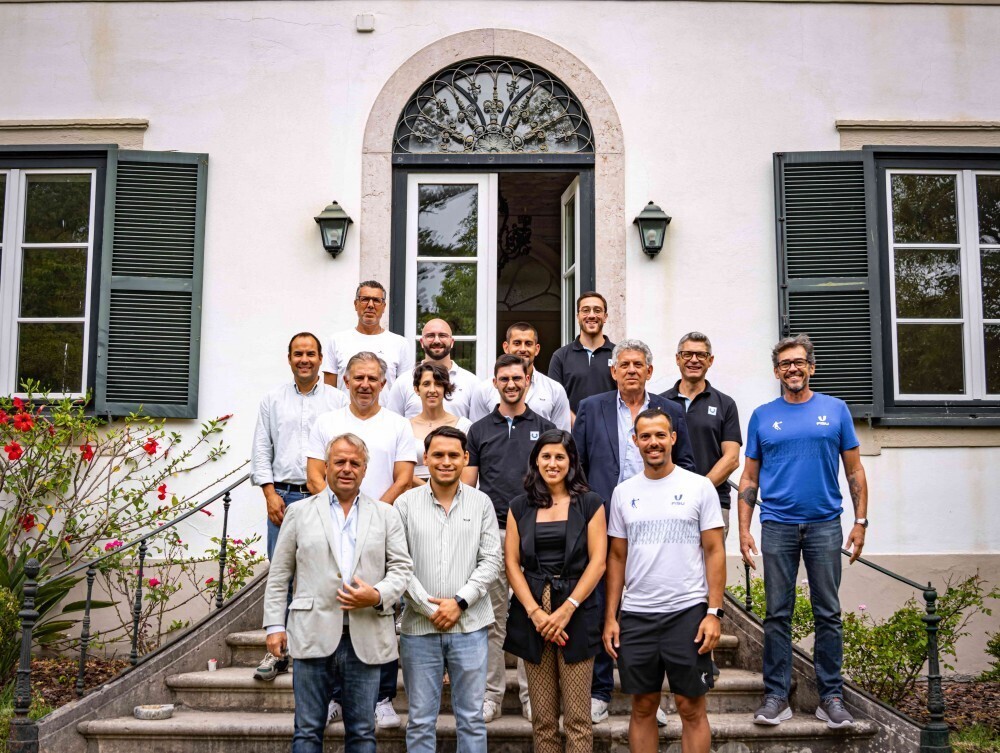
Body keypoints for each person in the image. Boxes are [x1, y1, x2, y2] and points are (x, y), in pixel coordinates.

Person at [738, 334, 868, 729]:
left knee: (828, 612)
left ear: (811, 367)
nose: (792, 369)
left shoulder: (836, 409)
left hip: (825, 525)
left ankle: (831, 697)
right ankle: (777, 695)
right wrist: (743, 529)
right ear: (776, 371)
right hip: (776, 525)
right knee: (777, 613)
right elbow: (749, 476)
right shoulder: (762, 415)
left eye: (799, 362)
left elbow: (855, 470)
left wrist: (860, 522)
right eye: (784, 364)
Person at [262, 433, 413, 753]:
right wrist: (275, 625)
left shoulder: (386, 514)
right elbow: (279, 575)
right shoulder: (299, 512)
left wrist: (376, 595)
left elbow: (401, 569)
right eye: (340, 462)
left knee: (361, 732)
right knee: (306, 730)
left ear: (364, 470)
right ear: (326, 467)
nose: (347, 468)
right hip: (311, 634)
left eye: (354, 463)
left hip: (366, 634)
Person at [572, 338, 697, 724]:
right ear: (613, 371)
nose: (630, 370)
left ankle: (654, 697)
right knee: (598, 606)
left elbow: (687, 462)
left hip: (655, 524)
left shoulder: (670, 410)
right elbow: (577, 465)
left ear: (649, 371)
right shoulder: (591, 408)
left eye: (637, 364)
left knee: (651, 604)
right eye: (623, 364)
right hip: (604, 521)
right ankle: (599, 691)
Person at [603, 408, 726, 753]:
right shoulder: (623, 493)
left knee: (690, 707)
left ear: (673, 438)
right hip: (637, 615)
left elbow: (715, 551)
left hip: (687, 612)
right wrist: (612, 617)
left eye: (660, 435)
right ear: (635, 441)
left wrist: (713, 612)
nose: (653, 442)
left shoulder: (699, 487)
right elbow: (616, 557)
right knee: (642, 706)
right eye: (645, 436)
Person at [305, 351, 414, 728]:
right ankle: (336, 696)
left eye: (372, 378)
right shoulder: (327, 422)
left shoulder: (398, 425)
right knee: (336, 608)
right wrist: (337, 513)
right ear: (346, 381)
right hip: (332, 528)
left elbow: (403, 478)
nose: (365, 384)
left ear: (383, 384)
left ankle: (383, 697)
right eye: (358, 378)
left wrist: (369, 516)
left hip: (384, 528)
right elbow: (315, 475)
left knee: (382, 610)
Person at [395, 426, 502, 753]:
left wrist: (459, 603)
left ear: (465, 458)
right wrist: (431, 609)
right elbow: (399, 564)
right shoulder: (405, 504)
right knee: (420, 720)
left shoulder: (481, 503)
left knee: (471, 719)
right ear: (425, 458)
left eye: (453, 455)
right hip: (418, 629)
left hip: (470, 627)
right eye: (438, 455)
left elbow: (491, 561)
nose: (445, 461)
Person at [462, 354, 556, 723]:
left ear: (528, 379)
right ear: (495, 382)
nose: (512, 384)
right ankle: (492, 696)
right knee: (493, 619)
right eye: (505, 378)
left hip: (535, 532)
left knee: (535, 616)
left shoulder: (545, 427)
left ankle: (535, 696)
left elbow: (555, 479)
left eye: (518, 377)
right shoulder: (479, 429)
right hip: (494, 533)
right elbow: (468, 486)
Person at [250, 332, 348, 681]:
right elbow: (262, 448)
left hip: (325, 494)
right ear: (289, 358)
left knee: (328, 570)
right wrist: (269, 493)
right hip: (286, 497)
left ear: (321, 359)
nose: (304, 359)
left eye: (311, 353)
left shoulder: (338, 401)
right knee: (282, 571)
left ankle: (325, 652)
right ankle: (275, 652)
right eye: (298, 354)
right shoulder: (272, 400)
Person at [504, 430, 607, 753]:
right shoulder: (519, 506)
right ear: (536, 460)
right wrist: (536, 612)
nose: (552, 463)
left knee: (578, 720)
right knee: (543, 721)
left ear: (571, 462)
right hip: (532, 615)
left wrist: (567, 609)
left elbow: (599, 562)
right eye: (546, 456)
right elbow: (511, 563)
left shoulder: (590, 503)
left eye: (560, 456)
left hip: (576, 613)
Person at [661, 332, 742, 539]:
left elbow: (731, 459)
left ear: (710, 361)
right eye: (687, 354)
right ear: (677, 359)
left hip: (713, 500)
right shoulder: (659, 404)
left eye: (701, 355)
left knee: (711, 567)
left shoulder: (725, 404)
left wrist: (699, 489)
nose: (694, 360)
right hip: (664, 499)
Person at [469, 322, 571, 431]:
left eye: (528, 343)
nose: (522, 349)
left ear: (537, 349)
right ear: (506, 347)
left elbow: (562, 438)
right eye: (517, 343)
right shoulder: (483, 390)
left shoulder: (555, 390)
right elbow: (478, 434)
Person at [322, 280, 414, 395]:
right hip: (345, 412)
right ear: (356, 304)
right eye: (365, 299)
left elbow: (406, 391)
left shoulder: (400, 343)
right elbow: (328, 393)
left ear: (384, 307)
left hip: (387, 413)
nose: (370, 305)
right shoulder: (336, 341)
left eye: (376, 300)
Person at [384, 318, 479, 419]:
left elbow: (477, 429)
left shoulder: (472, 383)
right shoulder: (403, 382)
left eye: (442, 335)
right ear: (421, 342)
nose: (437, 340)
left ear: (452, 342)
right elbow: (393, 425)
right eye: (430, 336)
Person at [548, 292, 616, 419]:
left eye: (597, 310)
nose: (591, 315)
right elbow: (554, 399)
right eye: (585, 310)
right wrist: (576, 424)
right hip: (573, 433)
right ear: (578, 316)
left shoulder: (619, 354)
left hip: (610, 432)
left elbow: (627, 395)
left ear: (605, 317)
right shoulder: (560, 356)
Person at [407, 363, 473, 483]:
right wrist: (428, 491)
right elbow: (400, 472)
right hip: (411, 495)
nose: (432, 390)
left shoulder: (463, 426)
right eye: (426, 384)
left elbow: (467, 472)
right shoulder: (404, 426)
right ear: (417, 389)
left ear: (445, 388)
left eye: (438, 384)